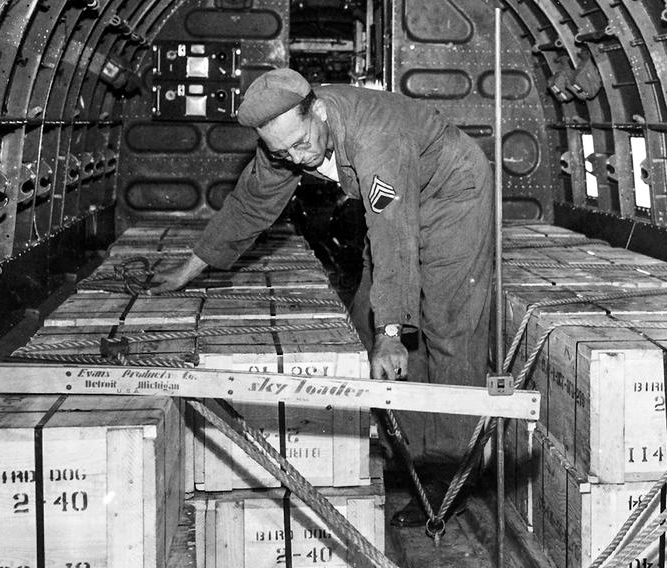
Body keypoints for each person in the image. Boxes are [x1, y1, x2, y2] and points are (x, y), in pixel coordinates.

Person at [151, 68, 494, 526]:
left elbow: (393, 237)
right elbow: (251, 202)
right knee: (367, 321)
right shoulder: (286, 138)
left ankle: (450, 476)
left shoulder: (376, 139)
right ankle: (413, 456)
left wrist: (392, 330)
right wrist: (190, 268)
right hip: (395, 202)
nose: (297, 158)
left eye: (300, 143)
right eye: (282, 152)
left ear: (319, 109)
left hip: (452, 194)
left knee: (445, 325)